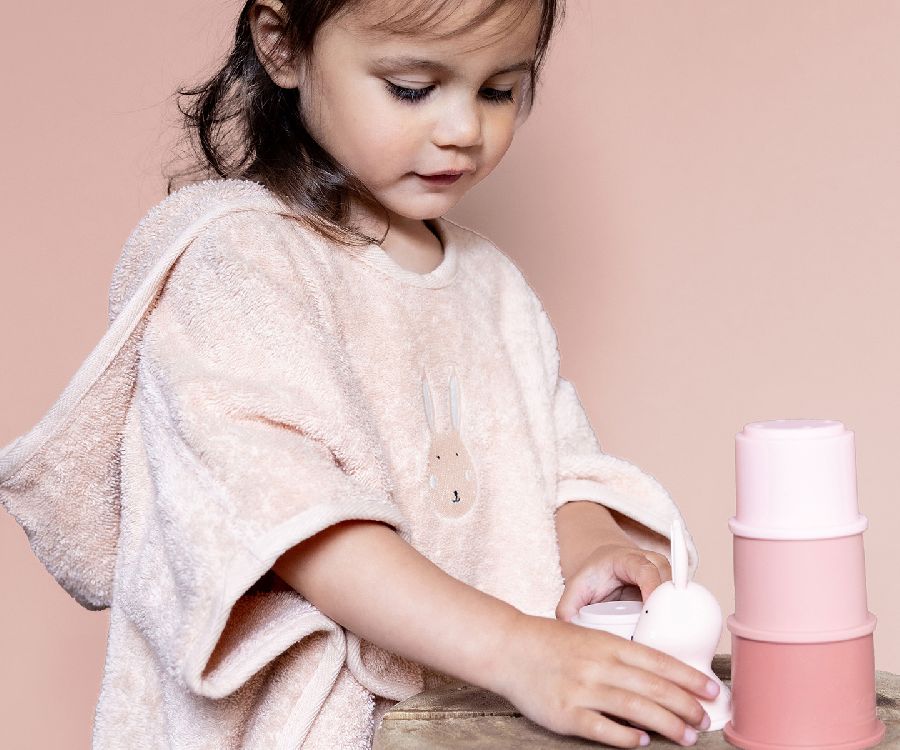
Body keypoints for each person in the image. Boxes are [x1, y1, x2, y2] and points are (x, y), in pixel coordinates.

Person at [0, 0, 719, 748]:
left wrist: (596, 549)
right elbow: (291, 517)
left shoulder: (494, 288)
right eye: (412, 89)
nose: (464, 129)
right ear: (282, 44)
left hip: (466, 725)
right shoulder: (239, 262)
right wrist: (515, 648)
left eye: (498, 90)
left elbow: (557, 470)